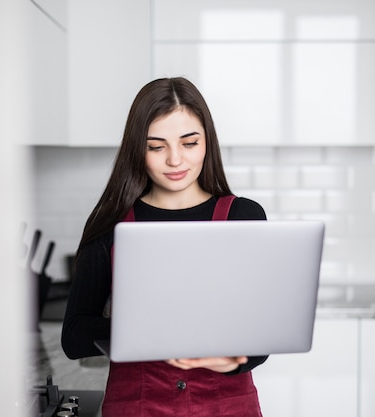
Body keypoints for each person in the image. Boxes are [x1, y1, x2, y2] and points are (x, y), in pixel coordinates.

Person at [61, 77, 268, 416]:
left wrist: (232, 362)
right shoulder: (109, 223)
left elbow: (262, 335)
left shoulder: (243, 216)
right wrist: (148, 326)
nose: (175, 160)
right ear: (137, 149)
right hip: (138, 406)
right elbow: (74, 337)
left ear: (207, 143)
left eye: (189, 143)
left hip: (227, 406)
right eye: (156, 146)